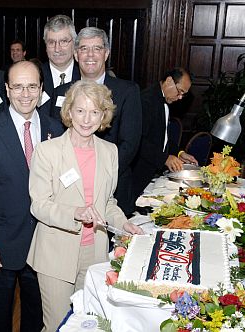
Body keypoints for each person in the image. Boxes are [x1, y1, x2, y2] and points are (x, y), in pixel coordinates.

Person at [27, 80, 143, 331]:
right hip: (56, 251)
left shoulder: (110, 151)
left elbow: (108, 201)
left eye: (94, 112)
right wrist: (75, 213)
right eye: (80, 110)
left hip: (95, 251)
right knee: (59, 325)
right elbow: (39, 205)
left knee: (87, 323)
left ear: (104, 115)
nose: (87, 119)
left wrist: (123, 223)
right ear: (69, 112)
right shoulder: (47, 151)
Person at [0, 60, 63, 332]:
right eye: (18, 86)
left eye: (32, 86)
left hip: (45, 244)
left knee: (36, 317)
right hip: (0, 246)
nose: (25, 93)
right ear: (6, 90)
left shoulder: (57, 130)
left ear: (41, 89)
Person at [50, 27, 142, 215]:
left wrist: (98, 176)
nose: (90, 54)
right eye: (84, 49)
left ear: (106, 53)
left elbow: (129, 145)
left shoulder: (127, 91)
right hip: (69, 190)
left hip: (112, 191)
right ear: (76, 55)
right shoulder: (61, 93)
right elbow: (55, 138)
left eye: (97, 48)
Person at [131, 68, 196, 198]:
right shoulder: (146, 101)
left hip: (151, 170)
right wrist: (164, 158)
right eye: (180, 91)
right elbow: (137, 141)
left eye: (183, 94)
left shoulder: (162, 99)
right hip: (137, 174)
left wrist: (179, 153)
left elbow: (163, 138)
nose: (180, 97)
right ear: (169, 81)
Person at [39, 15, 81, 113]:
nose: (57, 49)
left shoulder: (84, 76)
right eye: (51, 42)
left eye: (63, 41)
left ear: (74, 43)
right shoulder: (35, 75)